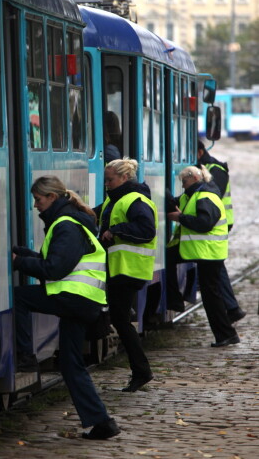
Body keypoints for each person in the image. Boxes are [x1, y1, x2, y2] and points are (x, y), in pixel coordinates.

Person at [13, 176, 120, 440]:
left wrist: (18, 262)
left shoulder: (66, 225)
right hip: (82, 301)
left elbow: (54, 269)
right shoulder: (70, 221)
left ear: (51, 198)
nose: (35, 205)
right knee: (72, 365)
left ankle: (25, 359)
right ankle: (102, 423)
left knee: (18, 297)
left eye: (38, 200)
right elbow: (57, 261)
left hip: (74, 298)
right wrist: (24, 255)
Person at [98, 159, 157, 392]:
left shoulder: (135, 200)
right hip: (120, 268)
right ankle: (141, 371)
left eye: (110, 180)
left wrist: (116, 230)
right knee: (120, 319)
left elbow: (146, 229)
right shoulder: (117, 200)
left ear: (123, 178)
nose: (107, 184)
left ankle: (142, 371)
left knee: (120, 320)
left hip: (128, 269)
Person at [166, 166, 239, 347]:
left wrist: (180, 218)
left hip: (209, 252)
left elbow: (205, 223)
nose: (183, 186)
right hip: (201, 251)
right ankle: (225, 333)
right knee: (209, 293)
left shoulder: (206, 197)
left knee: (211, 295)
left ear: (195, 178)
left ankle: (226, 334)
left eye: (184, 182)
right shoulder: (191, 195)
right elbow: (173, 201)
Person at [197, 140, 245, 323]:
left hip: (218, 222)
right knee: (215, 267)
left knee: (215, 267)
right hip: (215, 221)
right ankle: (231, 307)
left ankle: (232, 307)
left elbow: (212, 195)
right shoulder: (203, 166)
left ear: (200, 152)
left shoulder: (215, 168)